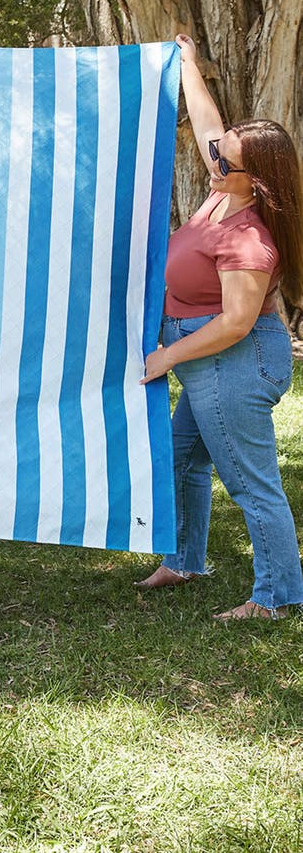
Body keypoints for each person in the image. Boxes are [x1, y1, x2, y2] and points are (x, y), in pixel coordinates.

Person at [136, 33, 303, 619]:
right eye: (218, 152)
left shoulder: (249, 237)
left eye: (225, 161)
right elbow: (211, 127)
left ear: (255, 180)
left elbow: (235, 322)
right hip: (210, 360)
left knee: (251, 480)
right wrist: (187, 65)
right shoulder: (223, 192)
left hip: (235, 360)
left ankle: (278, 595)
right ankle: (185, 559)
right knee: (183, 458)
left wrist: (165, 358)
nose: (214, 160)